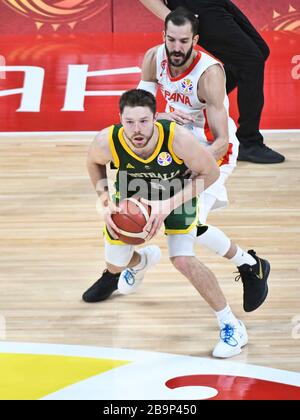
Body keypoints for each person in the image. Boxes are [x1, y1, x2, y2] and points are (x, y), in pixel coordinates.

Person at [82, 88, 268, 358]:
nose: (137, 129)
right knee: (115, 263)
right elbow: (93, 162)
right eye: (130, 122)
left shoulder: (177, 139)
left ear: (155, 118)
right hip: (132, 191)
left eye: (144, 121)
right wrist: (106, 199)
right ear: (119, 119)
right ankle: (142, 261)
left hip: (178, 192)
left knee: (182, 258)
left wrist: (166, 205)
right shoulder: (106, 141)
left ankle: (231, 324)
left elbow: (211, 172)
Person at [136, 7, 270, 309]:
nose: (176, 48)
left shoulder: (210, 74)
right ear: (164, 36)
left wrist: (190, 168)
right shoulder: (153, 58)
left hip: (212, 151)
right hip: (177, 145)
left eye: (184, 41)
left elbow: (221, 142)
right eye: (171, 40)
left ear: (195, 40)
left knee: (189, 223)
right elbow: (138, 112)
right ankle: (130, 265)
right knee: (133, 203)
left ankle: (251, 265)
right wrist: (159, 115)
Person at [138, 0, 285, 164]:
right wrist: (171, 17)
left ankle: (197, 98)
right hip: (195, 6)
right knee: (251, 61)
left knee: (260, 51)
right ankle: (249, 141)